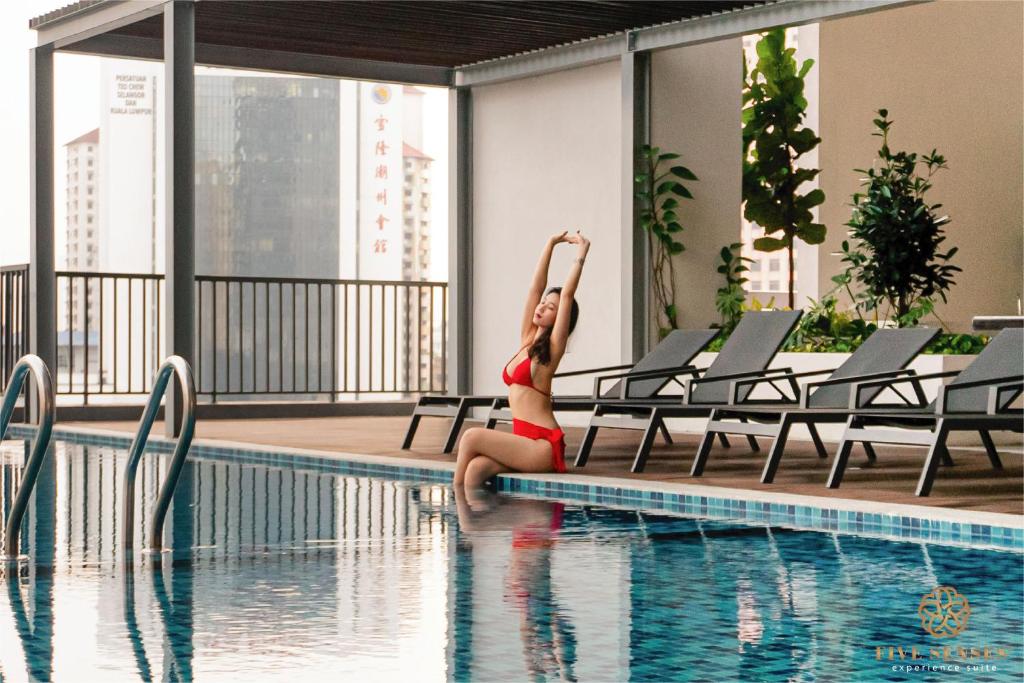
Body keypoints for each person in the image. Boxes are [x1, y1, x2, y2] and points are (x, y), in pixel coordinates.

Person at [453, 230, 589, 488]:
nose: (541, 307)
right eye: (544, 303)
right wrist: (550, 243)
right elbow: (535, 288)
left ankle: (452, 516)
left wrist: (581, 253)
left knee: (471, 437)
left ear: (560, 319)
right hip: (523, 443)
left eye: (551, 308)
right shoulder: (527, 340)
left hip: (542, 446)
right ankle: (472, 523)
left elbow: (568, 294)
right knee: (475, 470)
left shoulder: (552, 348)